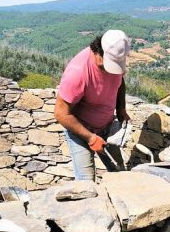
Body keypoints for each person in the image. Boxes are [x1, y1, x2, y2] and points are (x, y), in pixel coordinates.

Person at [54, 30, 131, 181]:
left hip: (107, 127)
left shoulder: (115, 55)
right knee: (86, 182)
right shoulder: (78, 72)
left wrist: (121, 108)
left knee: (119, 172)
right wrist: (91, 138)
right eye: (110, 64)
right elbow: (61, 113)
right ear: (98, 53)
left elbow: (120, 84)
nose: (112, 69)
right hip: (81, 131)